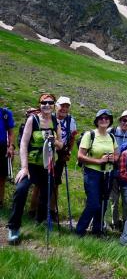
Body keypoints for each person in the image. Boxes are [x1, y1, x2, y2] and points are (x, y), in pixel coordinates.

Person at [7, 93, 63, 244]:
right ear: (39, 104)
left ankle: (40, 221)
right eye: (43, 102)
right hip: (31, 165)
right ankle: (13, 227)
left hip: (47, 164)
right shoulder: (33, 120)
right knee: (21, 190)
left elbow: (61, 144)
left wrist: (55, 141)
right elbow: (24, 143)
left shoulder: (55, 121)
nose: (47, 105)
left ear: (53, 105)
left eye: (50, 103)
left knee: (46, 194)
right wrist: (24, 167)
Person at [76, 109, 117, 236]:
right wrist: (99, 161)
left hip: (107, 173)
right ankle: (80, 230)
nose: (104, 120)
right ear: (97, 121)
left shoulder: (111, 136)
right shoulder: (90, 135)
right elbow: (80, 156)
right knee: (93, 203)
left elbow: (117, 154)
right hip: (92, 173)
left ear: (110, 121)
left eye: (107, 118)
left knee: (104, 202)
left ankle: (97, 230)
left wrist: (112, 159)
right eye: (101, 118)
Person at [108, 110, 127, 230]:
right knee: (114, 199)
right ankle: (115, 223)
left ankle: (125, 223)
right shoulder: (112, 132)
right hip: (113, 169)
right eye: (124, 120)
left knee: (126, 200)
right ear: (120, 120)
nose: (126, 123)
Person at [51, 96, 78, 218]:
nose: (64, 108)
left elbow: (72, 137)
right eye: (62, 105)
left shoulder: (71, 121)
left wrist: (69, 152)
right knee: (41, 181)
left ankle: (52, 209)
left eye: (67, 106)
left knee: (56, 182)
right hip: (46, 152)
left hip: (60, 154)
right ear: (56, 106)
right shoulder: (49, 117)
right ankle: (34, 208)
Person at [0, 103, 15, 208]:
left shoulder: (5, 113)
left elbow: (10, 132)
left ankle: (0, 202)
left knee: (1, 177)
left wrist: (11, 147)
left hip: (2, 147)